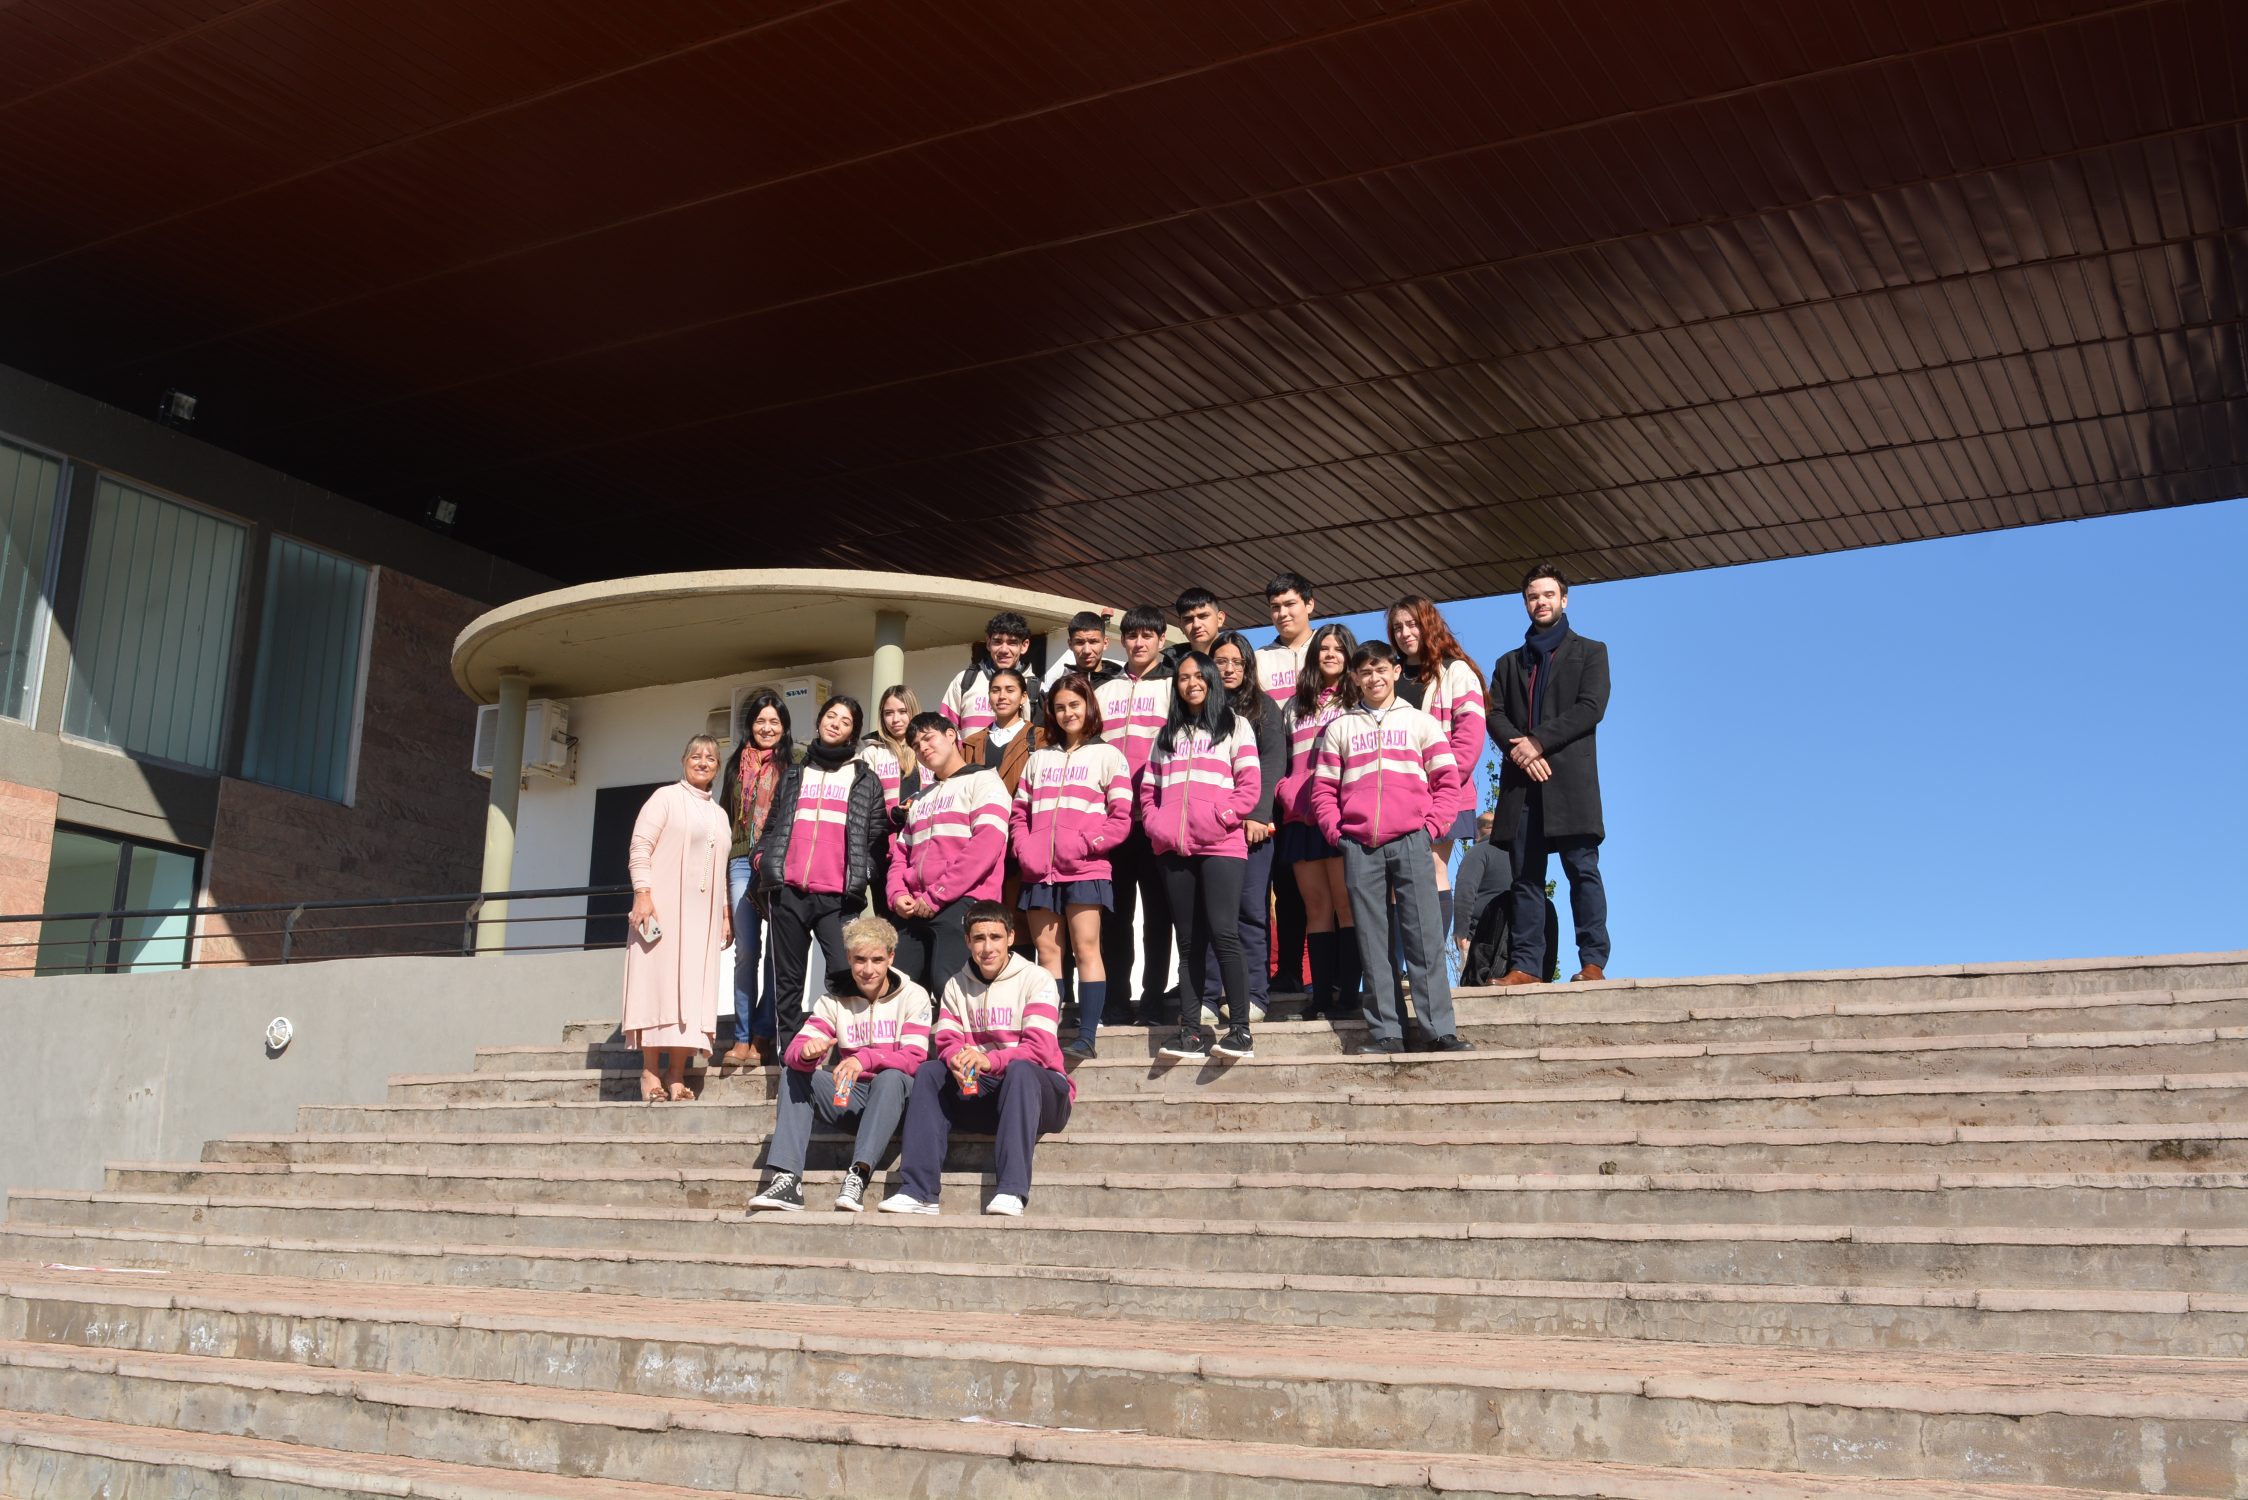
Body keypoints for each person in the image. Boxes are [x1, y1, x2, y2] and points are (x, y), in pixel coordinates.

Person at [1310, 642, 1470, 1055]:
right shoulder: (1341, 728)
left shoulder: (1421, 723)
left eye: (1380, 669)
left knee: (1424, 938)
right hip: (1360, 846)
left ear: (1396, 671)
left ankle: (1439, 1030)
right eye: (1364, 672)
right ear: (1355, 678)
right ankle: (1387, 1033)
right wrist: (1336, 832)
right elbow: (1323, 789)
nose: (1373, 678)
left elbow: (1446, 783)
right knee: (1372, 942)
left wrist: (1430, 828)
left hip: (1412, 841)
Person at [881, 901, 1074, 1217]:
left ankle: (1011, 1190)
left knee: (1022, 1070)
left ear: (1011, 937)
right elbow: (946, 1040)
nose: (987, 947)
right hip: (985, 1093)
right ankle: (919, 1192)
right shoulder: (956, 984)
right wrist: (958, 1059)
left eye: (995, 937)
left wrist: (990, 1061)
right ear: (967, 941)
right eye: (979, 938)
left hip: (1042, 1095)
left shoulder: (1038, 979)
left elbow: (1039, 1049)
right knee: (930, 1071)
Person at [746, 915, 931, 1214]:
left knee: (891, 1077)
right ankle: (787, 1179)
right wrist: (807, 1053)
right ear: (848, 957)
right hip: (853, 1099)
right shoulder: (834, 999)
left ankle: (858, 1175)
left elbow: (915, 1059)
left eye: (876, 959)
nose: (868, 969)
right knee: (795, 1072)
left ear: (891, 957)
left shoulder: (914, 996)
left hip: (898, 1102)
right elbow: (795, 1050)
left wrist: (867, 1057)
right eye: (859, 960)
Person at [1489, 563, 1612, 985]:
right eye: (1532, 596)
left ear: (1563, 599)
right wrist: (1522, 752)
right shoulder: (1508, 663)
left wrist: (1536, 741)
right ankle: (1526, 965)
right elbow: (1495, 715)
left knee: (1582, 870)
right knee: (1525, 876)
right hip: (1524, 786)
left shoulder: (1591, 652)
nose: (1540, 602)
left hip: (1570, 784)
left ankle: (1592, 961)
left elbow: (1590, 708)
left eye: (1547, 595)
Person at [1141, 649, 1263, 1060]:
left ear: (1211, 680)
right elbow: (1148, 793)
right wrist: (1158, 827)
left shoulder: (1235, 726)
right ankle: (1190, 1032)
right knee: (1189, 942)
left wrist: (1218, 818)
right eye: (1183, 678)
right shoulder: (1166, 735)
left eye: (1199, 676)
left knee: (1225, 934)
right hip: (1173, 848)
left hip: (1222, 845)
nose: (1191, 683)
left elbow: (1249, 787)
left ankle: (1240, 1031)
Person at [752, 696, 887, 1047]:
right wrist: (763, 861)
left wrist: (863, 871)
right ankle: (793, 1064)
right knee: (788, 982)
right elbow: (771, 828)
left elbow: (876, 839)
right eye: (831, 716)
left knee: (846, 974)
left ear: (852, 733)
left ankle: (848, 1057)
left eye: (845, 721)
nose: (835, 723)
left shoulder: (865, 780)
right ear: (819, 721)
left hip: (838, 898)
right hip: (788, 893)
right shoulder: (795, 774)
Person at [1011, 673, 1132, 1059]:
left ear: (1089, 707)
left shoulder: (1110, 755)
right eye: (1060, 707)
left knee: (1085, 950)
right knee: (1048, 953)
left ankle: (1087, 1035)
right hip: (1038, 871)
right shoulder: (1038, 758)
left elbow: (1121, 816)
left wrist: (1086, 845)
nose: (1067, 713)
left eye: (1074, 705)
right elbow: (1019, 814)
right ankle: (1048, 1035)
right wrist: (1025, 849)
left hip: (1085, 869)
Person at [624, 735, 733, 1102]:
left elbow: (720, 871)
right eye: (696, 756)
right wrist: (642, 893)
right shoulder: (665, 798)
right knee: (659, 985)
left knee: (692, 989)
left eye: (711, 758)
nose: (703, 762)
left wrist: (724, 913)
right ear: (683, 760)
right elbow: (640, 846)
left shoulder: (719, 814)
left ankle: (676, 1074)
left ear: (718, 768)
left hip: (702, 918)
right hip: (662, 910)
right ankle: (650, 1072)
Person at [1388, 595, 1490, 944]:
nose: (1404, 633)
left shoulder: (1455, 672)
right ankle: (1401, 963)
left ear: (1428, 623)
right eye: (1397, 627)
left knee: (1431, 869)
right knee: (1394, 878)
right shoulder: (1390, 677)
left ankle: (1428, 956)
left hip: (1444, 795)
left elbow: (1470, 739)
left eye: (1411, 623)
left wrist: (1443, 787)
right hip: (1397, 797)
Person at [1272, 622, 1360, 1019]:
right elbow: (1283, 759)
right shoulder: (1294, 705)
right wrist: (1287, 791)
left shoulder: (1357, 700)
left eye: (1338, 649)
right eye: (1323, 648)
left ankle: (1348, 994)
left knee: (1346, 904)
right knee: (1316, 907)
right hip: (1299, 819)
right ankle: (1321, 995)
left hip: (1339, 816)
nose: (1329, 655)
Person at [888, 712, 1011, 991]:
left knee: (952, 991)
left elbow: (985, 847)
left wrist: (938, 894)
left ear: (951, 735)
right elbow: (900, 853)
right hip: (914, 907)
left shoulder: (985, 781)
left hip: (964, 903)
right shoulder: (919, 798)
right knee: (898, 991)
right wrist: (897, 894)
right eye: (916, 746)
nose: (923, 748)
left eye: (928, 738)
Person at [1093, 605, 1175, 1024]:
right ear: (1122, 640)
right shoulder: (1104, 690)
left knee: (1159, 917)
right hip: (1113, 822)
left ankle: (1154, 1001)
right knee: (1114, 917)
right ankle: (1116, 1001)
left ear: (1162, 640)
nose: (1139, 643)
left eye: (1148, 635)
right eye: (1132, 636)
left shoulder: (1176, 685)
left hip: (1157, 818)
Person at [1208, 629, 1286, 1024]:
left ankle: (1254, 993)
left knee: (1251, 912)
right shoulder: (1199, 708)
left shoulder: (1264, 708)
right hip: (1208, 832)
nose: (1229, 669)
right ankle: (1210, 995)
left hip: (1252, 831)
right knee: (1209, 915)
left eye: (1237, 662)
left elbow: (1273, 764)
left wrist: (1258, 813)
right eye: (1221, 661)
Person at [717, 691, 788, 1066]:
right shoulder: (735, 766)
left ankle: (763, 1032)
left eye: (774, 721)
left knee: (779, 952)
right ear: (750, 725)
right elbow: (725, 822)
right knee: (746, 952)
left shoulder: (795, 764)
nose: (767, 727)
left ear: (784, 726)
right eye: (761, 721)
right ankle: (741, 1038)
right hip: (741, 860)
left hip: (779, 862)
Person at [1256, 571, 1317, 996]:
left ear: (1309, 605)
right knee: (1281, 883)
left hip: (1323, 786)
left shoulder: (1329, 650)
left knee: (1329, 885)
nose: (1283, 614)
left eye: (1290, 605)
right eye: (1275, 607)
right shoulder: (1261, 659)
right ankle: (1287, 970)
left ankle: (1338, 973)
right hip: (1273, 787)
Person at [940, 610, 1041, 734]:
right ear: (988, 643)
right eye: (998, 642)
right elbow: (944, 733)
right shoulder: (964, 681)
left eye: (1012, 643)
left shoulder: (1036, 689)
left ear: (1024, 646)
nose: (1004, 649)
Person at [860, 684, 920, 817]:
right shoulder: (871, 754)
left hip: (923, 834)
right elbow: (863, 804)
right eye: (888, 713)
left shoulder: (927, 749)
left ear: (914, 711)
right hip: (886, 835)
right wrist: (891, 814)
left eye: (903, 711)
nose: (895, 720)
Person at [1041, 610, 1122, 692]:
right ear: (1070, 644)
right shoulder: (1059, 688)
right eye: (1079, 642)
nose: (1087, 650)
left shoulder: (1121, 684)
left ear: (1105, 643)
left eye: (1093, 642)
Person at [1162, 586, 1228, 667]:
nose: (1196, 625)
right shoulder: (1170, 664)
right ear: (1181, 626)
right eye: (1188, 619)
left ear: (1220, 619)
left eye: (1203, 616)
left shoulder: (1241, 660)